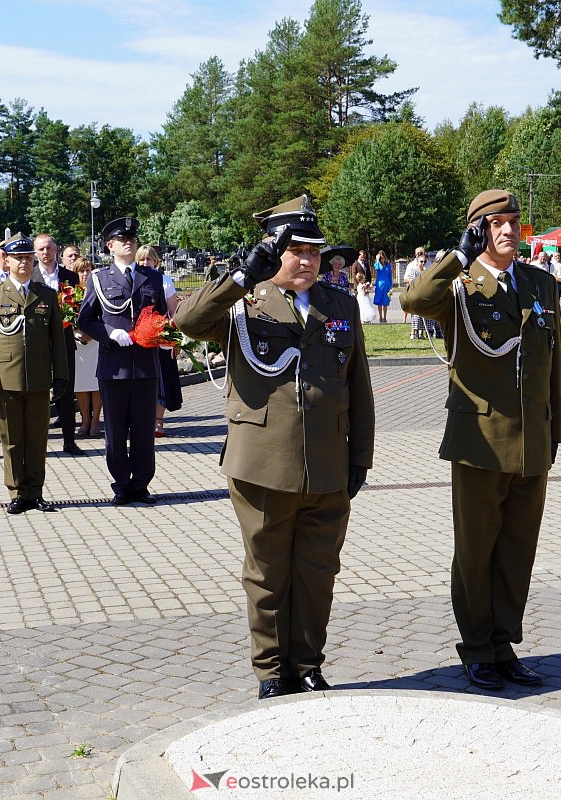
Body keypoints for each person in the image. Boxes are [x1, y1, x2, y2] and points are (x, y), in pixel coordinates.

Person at [175, 195, 374, 700]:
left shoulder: (339, 304)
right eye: (294, 250)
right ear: (274, 251)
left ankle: (307, 663)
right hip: (263, 464)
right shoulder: (246, 301)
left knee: (317, 572)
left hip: (327, 466)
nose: (306, 260)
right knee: (266, 575)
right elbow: (189, 321)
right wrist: (241, 277)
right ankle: (270, 670)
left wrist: (359, 458)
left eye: (313, 250)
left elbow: (359, 388)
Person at [399, 189, 561, 693]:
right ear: (478, 231)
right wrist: (457, 255)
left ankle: (503, 643)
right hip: (480, 441)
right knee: (476, 550)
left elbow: (550, 366)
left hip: (531, 441)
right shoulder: (459, 284)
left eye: (513, 221)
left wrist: (553, 428)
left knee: (517, 549)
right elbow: (413, 300)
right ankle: (477, 648)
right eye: (495, 223)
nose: (508, 230)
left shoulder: (539, 284)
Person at [78, 217, 168, 505]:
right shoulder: (99, 278)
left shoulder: (152, 277)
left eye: (131, 238)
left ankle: (141, 485)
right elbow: (86, 320)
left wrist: (162, 333)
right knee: (116, 431)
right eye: (121, 239)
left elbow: (161, 317)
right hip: (113, 367)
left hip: (144, 366)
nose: (128, 242)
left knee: (143, 430)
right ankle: (121, 485)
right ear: (110, 245)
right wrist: (110, 333)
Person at [0, 236, 69, 514]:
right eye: (19, 258)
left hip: (39, 378)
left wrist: (61, 376)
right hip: (7, 378)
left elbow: (57, 340)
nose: (25, 262)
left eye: (29, 257)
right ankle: (17, 492)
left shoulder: (46, 294)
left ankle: (36, 491)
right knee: (12, 439)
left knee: (37, 439)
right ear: (7, 261)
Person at [33, 233, 83, 455]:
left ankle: (69, 441)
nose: (45, 253)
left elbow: (79, 303)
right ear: (36, 252)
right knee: (39, 393)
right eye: (41, 249)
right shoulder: (30, 276)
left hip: (64, 341)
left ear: (56, 249)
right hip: (38, 343)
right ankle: (38, 443)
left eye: (49, 248)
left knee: (66, 390)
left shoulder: (69, 276)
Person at [136, 244, 182, 438]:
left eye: (149, 259)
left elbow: (174, 312)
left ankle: (158, 422)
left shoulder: (165, 281)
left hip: (161, 338)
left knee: (162, 380)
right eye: (142, 259)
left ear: (156, 261)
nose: (146, 263)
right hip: (138, 339)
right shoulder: (134, 280)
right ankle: (140, 420)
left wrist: (176, 339)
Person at [70, 257, 102, 438]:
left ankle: (96, 420)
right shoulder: (70, 292)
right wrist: (76, 331)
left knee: (96, 383)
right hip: (78, 342)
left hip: (96, 341)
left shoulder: (98, 290)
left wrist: (93, 332)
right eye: (81, 271)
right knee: (81, 383)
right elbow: (66, 316)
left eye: (88, 270)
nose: (84, 274)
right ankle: (85, 420)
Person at [372, 250, 392, 323]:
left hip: (386, 284)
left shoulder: (388, 265)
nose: (382, 259)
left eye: (382, 258)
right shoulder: (377, 264)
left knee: (385, 301)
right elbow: (377, 268)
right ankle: (380, 317)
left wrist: (390, 285)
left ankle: (385, 317)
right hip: (380, 284)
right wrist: (377, 260)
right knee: (380, 301)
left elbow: (390, 275)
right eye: (380, 258)